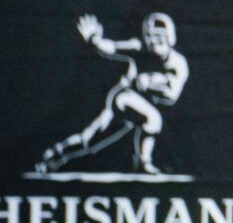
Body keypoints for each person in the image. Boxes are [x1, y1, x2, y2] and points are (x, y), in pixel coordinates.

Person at [36, 13, 189, 176]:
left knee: (89, 142)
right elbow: (112, 47)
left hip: (138, 106)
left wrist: (153, 84)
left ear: (170, 37)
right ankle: (143, 162)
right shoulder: (139, 47)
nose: (153, 40)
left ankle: (54, 155)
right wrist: (94, 39)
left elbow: (172, 96)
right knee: (153, 119)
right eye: (149, 35)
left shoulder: (177, 63)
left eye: (158, 35)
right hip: (123, 98)